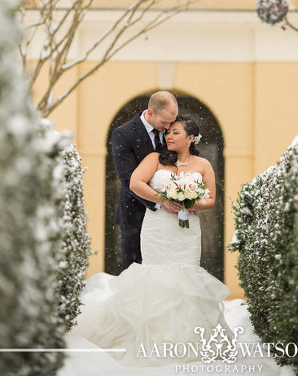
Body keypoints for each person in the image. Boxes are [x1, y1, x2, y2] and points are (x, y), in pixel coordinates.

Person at [70, 115, 231, 365]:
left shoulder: (203, 165)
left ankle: (186, 340)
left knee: (186, 276)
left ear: (190, 138)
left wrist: (190, 204)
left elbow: (210, 201)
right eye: (168, 132)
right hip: (158, 228)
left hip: (187, 231)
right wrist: (164, 199)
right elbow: (135, 183)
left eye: (175, 132)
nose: (168, 136)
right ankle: (150, 337)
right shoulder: (155, 159)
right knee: (156, 275)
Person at [111, 91, 178, 269]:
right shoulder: (123, 134)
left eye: (171, 122)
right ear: (150, 112)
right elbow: (127, 179)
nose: (168, 127)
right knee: (136, 270)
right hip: (135, 212)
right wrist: (161, 203)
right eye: (164, 122)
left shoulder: (174, 128)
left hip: (172, 217)